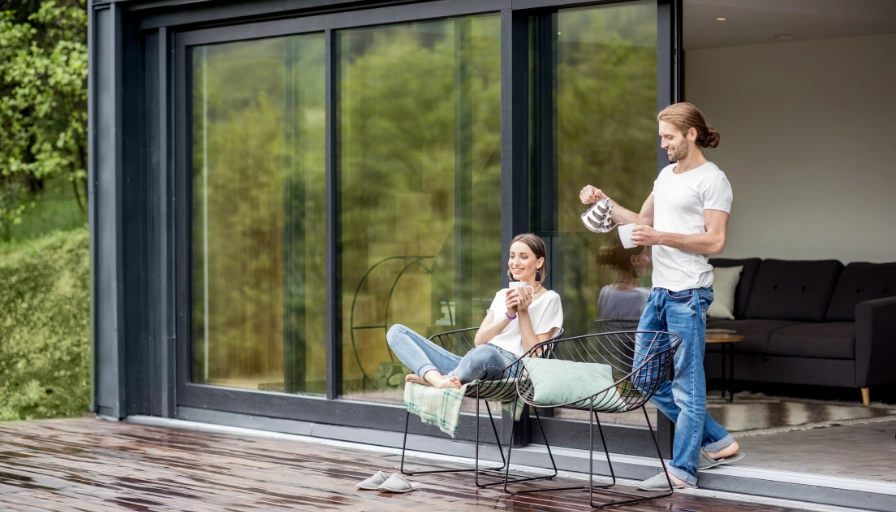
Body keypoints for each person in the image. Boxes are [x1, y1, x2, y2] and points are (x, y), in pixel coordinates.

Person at [579, 102, 742, 490]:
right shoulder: (666, 175)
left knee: (688, 382)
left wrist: (660, 238)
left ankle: (683, 470)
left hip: (689, 293)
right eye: (661, 137)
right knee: (644, 378)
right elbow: (640, 222)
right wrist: (604, 201)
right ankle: (718, 439)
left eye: (669, 137)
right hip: (660, 293)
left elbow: (716, 240)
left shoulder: (713, 180)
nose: (664, 144)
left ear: (690, 133)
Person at [387, 233, 563, 390]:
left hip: (511, 366)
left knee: (485, 353)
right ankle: (437, 380)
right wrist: (509, 315)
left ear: (539, 262)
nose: (515, 262)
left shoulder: (550, 299)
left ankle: (443, 379)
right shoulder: (503, 295)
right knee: (396, 332)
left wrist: (523, 312)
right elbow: (479, 340)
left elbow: (533, 354)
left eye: (523, 257)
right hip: (471, 363)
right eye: (512, 256)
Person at [596, 233, 651, 322]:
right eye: (645, 254)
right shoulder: (643, 296)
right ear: (634, 260)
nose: (649, 259)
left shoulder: (604, 292)